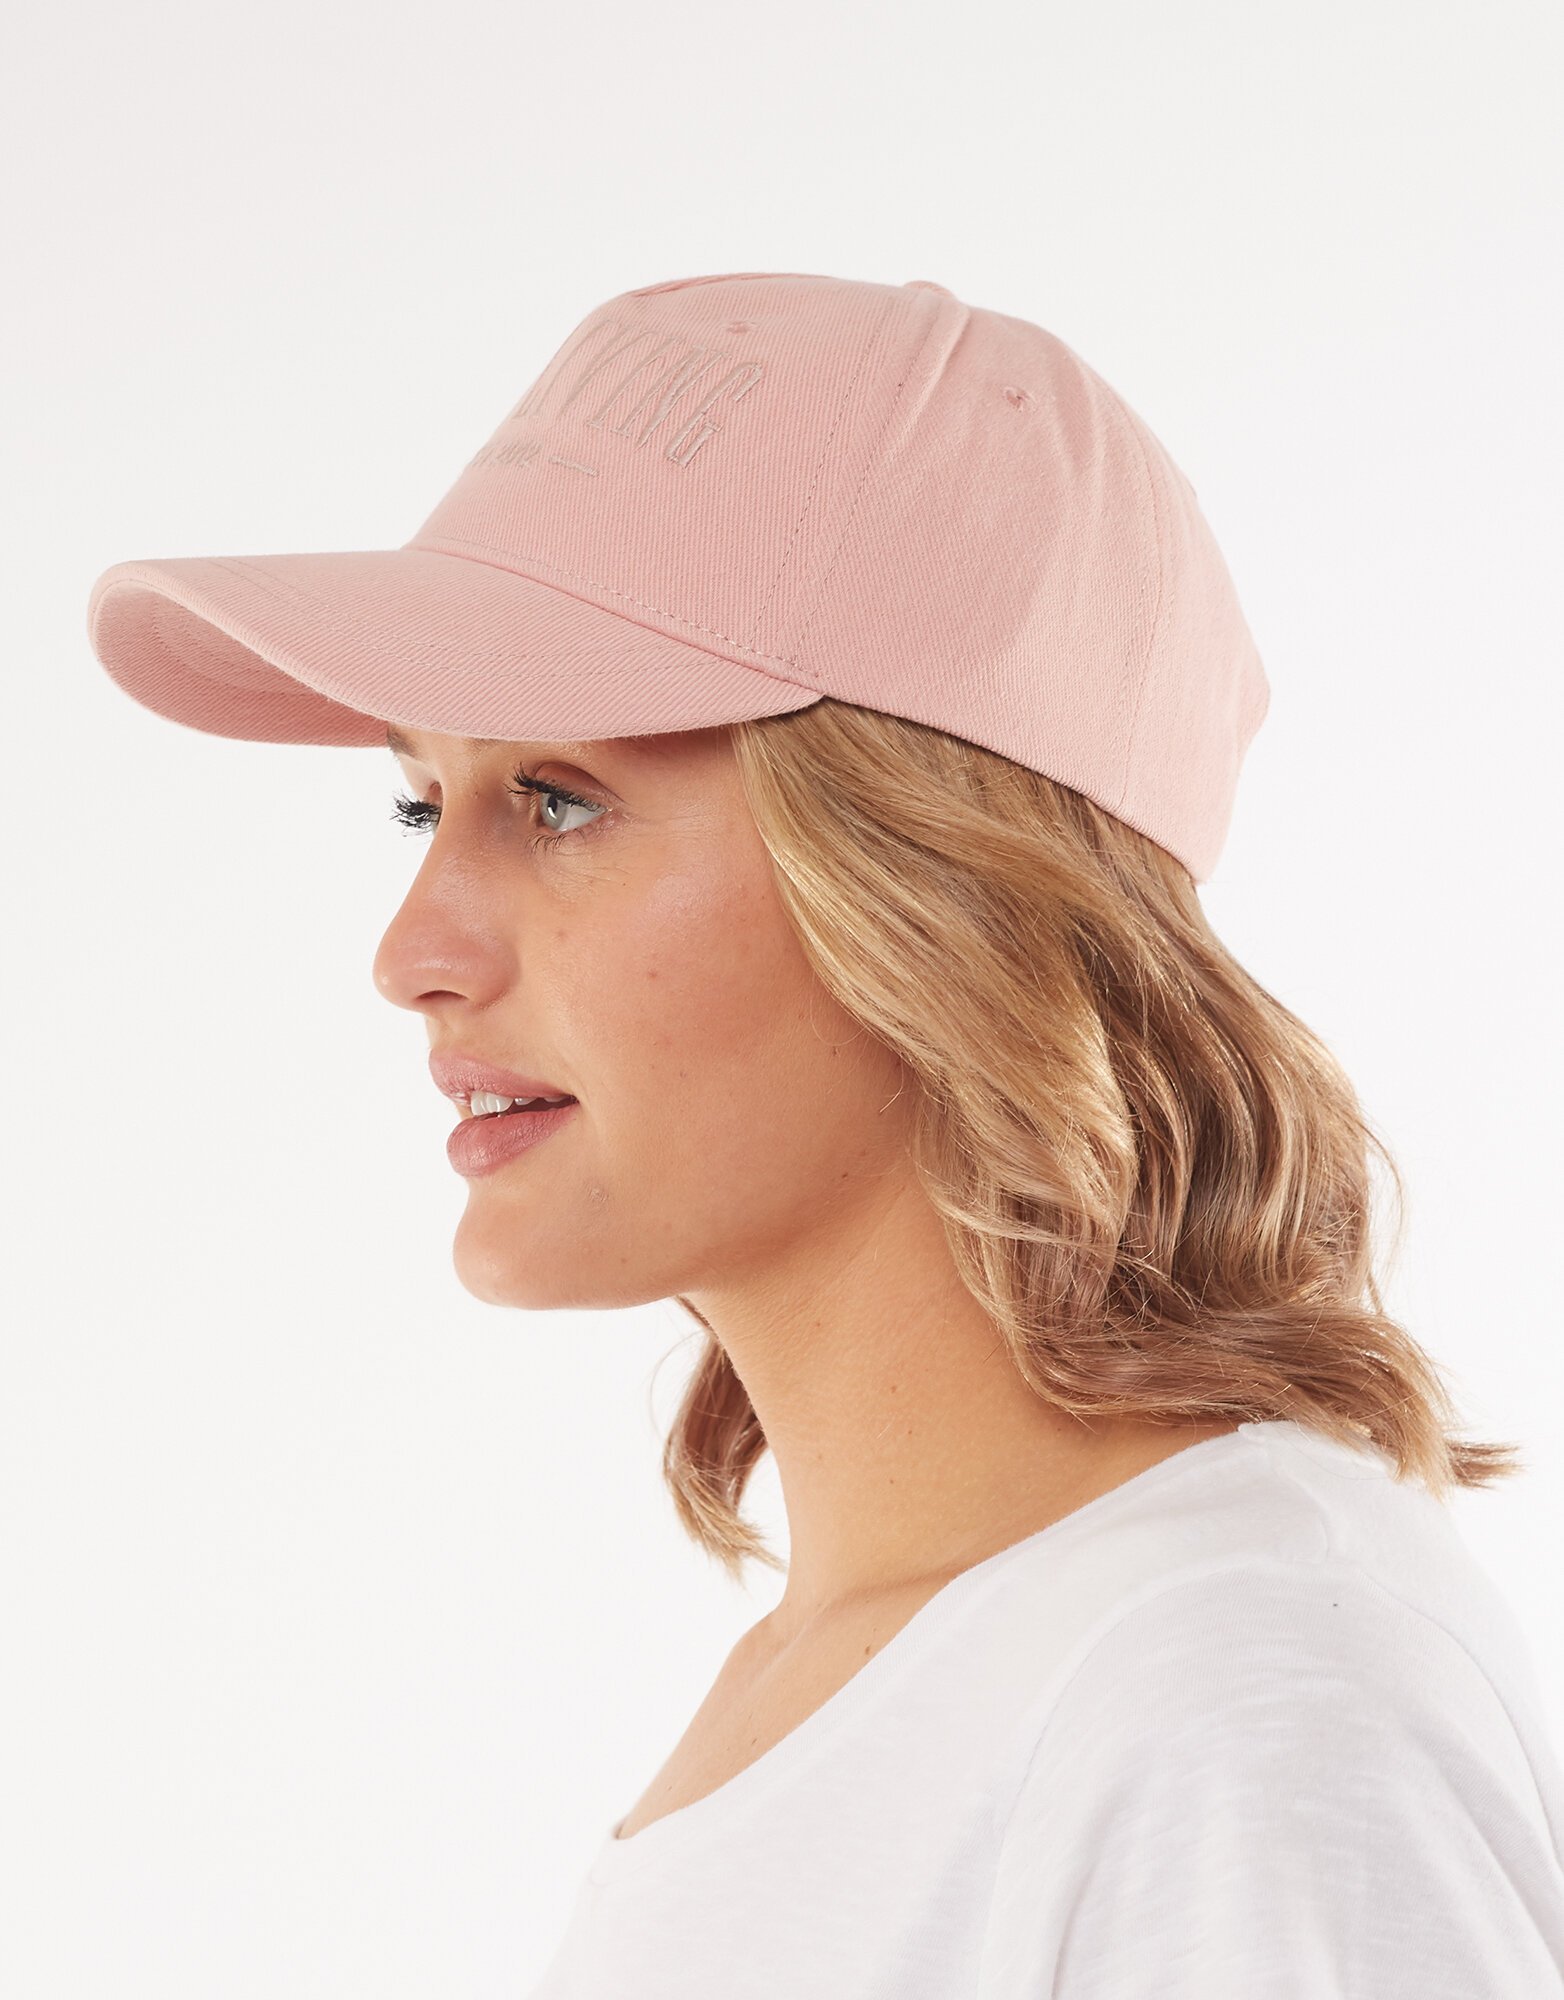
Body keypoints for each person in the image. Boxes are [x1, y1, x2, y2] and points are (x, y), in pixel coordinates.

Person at [85, 271, 1564, 1995]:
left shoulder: (1233, 1703)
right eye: (422, 804)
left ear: (940, 893)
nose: (412, 954)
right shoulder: (897, 1669)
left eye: (557, 800)